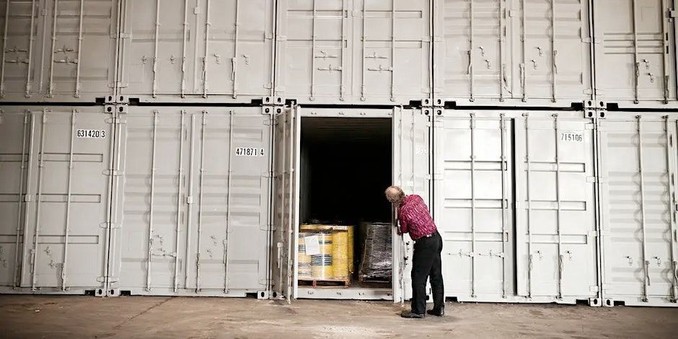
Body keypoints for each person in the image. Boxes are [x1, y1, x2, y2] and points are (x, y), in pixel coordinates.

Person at [385, 185, 444, 318]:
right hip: (436, 237)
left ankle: (418, 310)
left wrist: (397, 221)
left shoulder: (403, 211)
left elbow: (404, 230)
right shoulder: (416, 198)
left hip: (425, 243)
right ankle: (438, 308)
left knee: (418, 276)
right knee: (436, 275)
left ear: (393, 201)